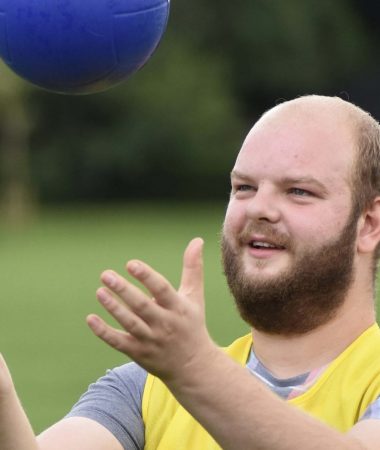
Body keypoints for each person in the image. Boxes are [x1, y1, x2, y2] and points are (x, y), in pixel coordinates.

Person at [1, 94, 380, 450]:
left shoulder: (185, 372)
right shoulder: (148, 388)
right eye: (244, 187)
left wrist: (194, 368)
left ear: (369, 224)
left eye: (298, 191)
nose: (259, 208)